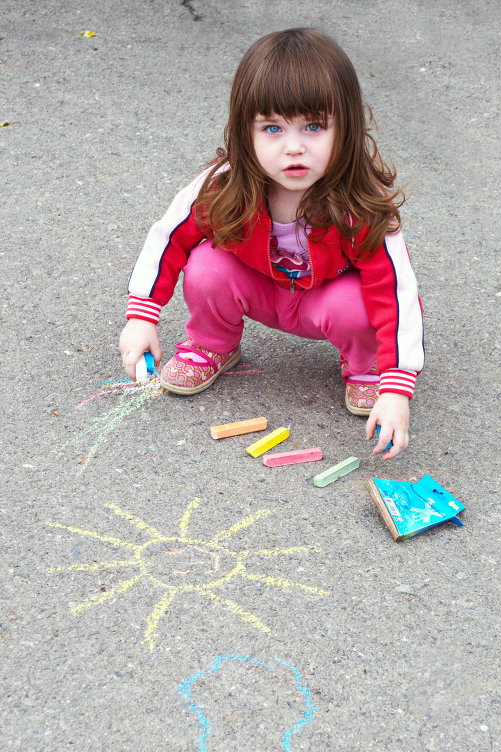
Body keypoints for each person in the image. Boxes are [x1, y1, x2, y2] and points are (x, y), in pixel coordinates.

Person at [119, 28, 424, 461]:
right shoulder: (223, 185)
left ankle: (367, 367)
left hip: (326, 303)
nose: (294, 147)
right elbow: (167, 239)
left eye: (315, 125)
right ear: (246, 131)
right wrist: (141, 316)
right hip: (261, 290)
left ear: (348, 127)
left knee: (358, 304)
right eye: (273, 128)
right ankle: (212, 344)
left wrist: (397, 387)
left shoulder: (362, 204)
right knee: (207, 266)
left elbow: (397, 293)